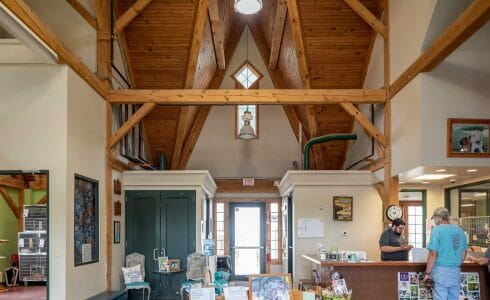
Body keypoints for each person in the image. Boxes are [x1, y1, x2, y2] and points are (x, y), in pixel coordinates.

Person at [423, 207, 468, 300]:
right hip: (456, 270)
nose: (434, 221)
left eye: (434, 218)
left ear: (438, 218)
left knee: (440, 296)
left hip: (441, 270)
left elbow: (433, 254)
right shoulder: (460, 230)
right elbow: (464, 253)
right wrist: (456, 263)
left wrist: (427, 273)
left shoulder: (437, 230)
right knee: (454, 297)